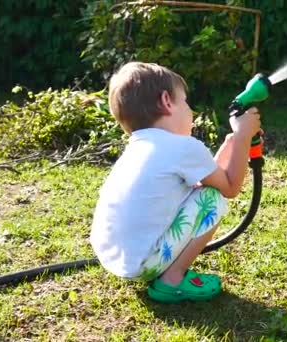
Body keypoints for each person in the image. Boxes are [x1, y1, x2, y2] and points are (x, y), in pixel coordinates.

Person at [90, 62, 261, 303]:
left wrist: (232, 143)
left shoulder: (140, 148)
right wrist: (244, 137)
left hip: (113, 258)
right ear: (166, 101)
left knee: (203, 191)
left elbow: (210, 176)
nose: (190, 110)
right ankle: (171, 280)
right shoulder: (182, 147)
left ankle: (162, 268)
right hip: (141, 264)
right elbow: (229, 187)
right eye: (185, 102)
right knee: (211, 199)